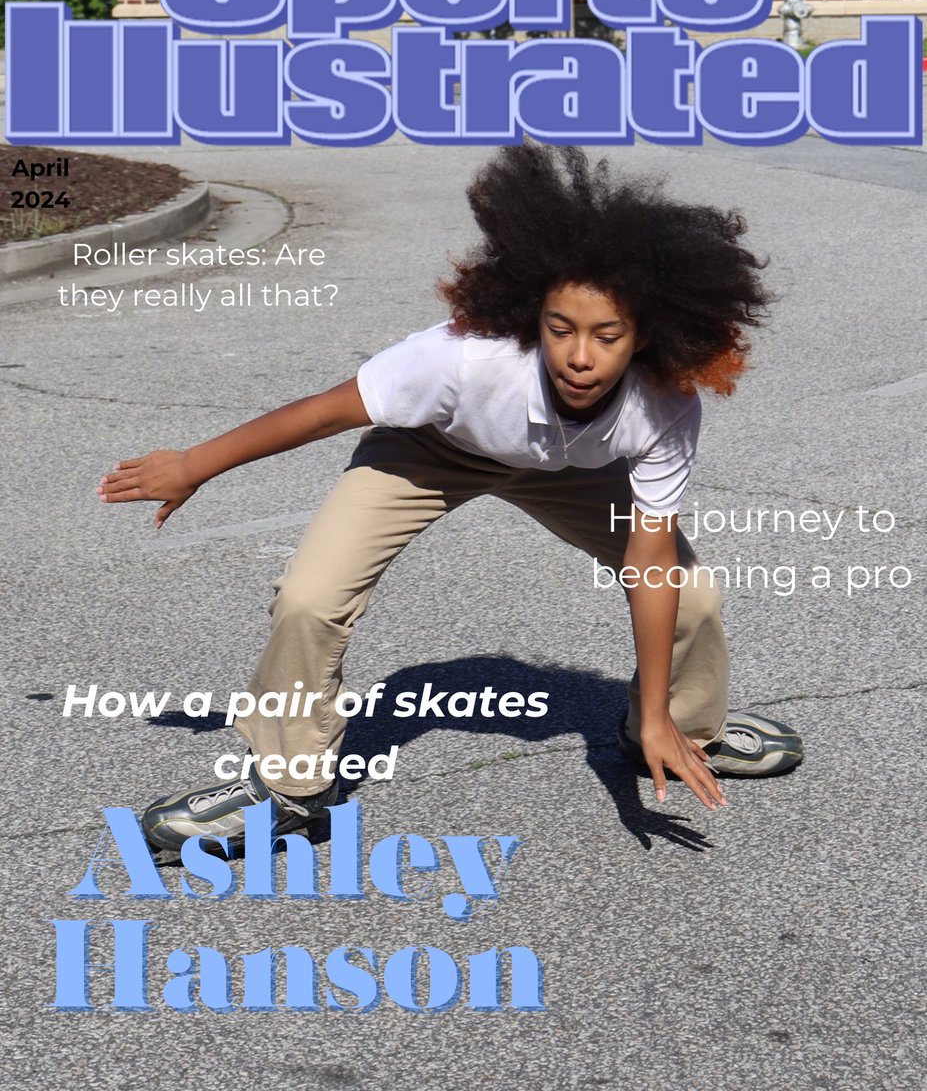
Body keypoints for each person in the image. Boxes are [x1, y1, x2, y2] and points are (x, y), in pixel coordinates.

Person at [96, 145, 803, 854]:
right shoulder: (461, 359)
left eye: (606, 335)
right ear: (533, 319)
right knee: (310, 597)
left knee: (691, 594)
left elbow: (649, 563)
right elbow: (321, 412)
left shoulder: (663, 402)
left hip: (569, 467)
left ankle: (671, 730)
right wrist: (194, 463)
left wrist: (651, 709)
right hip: (431, 452)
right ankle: (290, 789)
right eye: (560, 329)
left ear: (644, 335)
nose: (579, 355)